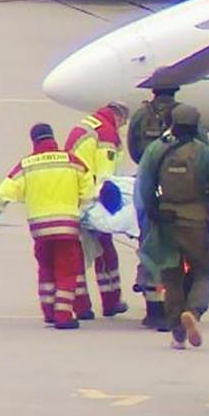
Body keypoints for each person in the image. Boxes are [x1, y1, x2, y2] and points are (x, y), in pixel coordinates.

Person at [136, 105, 209, 349]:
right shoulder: (204, 153)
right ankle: (194, 312)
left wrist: (154, 210)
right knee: (205, 269)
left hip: (165, 219)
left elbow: (144, 184)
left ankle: (177, 331)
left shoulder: (157, 149)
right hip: (196, 220)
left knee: (171, 276)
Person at [0, 123, 95, 328]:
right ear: (53, 138)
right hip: (67, 227)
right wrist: (86, 211)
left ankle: (49, 311)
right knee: (67, 271)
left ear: (34, 141)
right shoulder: (71, 161)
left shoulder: (26, 165)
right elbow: (88, 189)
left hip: (40, 230)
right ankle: (63, 315)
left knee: (46, 270)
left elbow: (7, 188)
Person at [65, 102, 131, 319]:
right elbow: (105, 175)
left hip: (73, 195)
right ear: (119, 118)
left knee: (79, 254)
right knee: (105, 253)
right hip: (91, 199)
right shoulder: (106, 134)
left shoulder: (87, 125)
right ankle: (111, 300)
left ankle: (81, 305)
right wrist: (110, 207)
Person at [126, 87, 180, 330]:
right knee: (184, 252)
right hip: (178, 198)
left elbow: (132, 147)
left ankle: (153, 310)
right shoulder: (187, 117)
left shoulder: (141, 115)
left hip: (148, 189)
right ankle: (181, 307)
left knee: (149, 247)